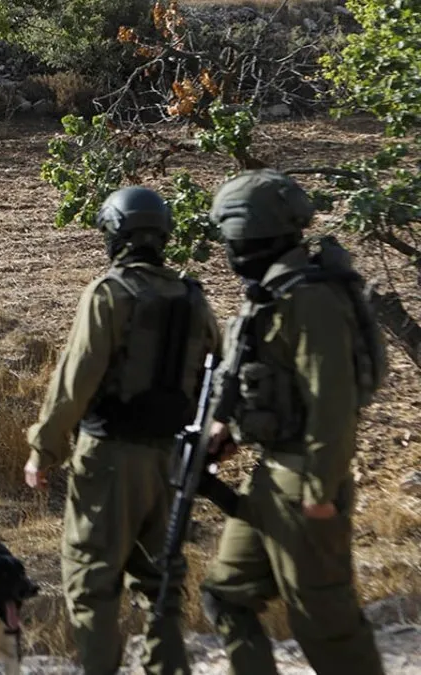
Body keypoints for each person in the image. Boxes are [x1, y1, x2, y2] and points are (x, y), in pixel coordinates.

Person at [24, 186, 221, 675]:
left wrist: (43, 450)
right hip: (172, 464)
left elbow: (76, 379)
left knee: (93, 586)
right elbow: (217, 373)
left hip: (110, 457)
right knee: (162, 592)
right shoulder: (192, 297)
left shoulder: (108, 294)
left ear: (115, 234)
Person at [198, 169, 385, 675]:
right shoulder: (275, 289)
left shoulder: (311, 297)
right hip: (272, 474)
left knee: (326, 627)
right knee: (226, 595)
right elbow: (273, 380)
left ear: (250, 232)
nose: (229, 249)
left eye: (231, 237)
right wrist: (228, 430)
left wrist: (321, 489)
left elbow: (332, 400)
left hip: (305, 479)